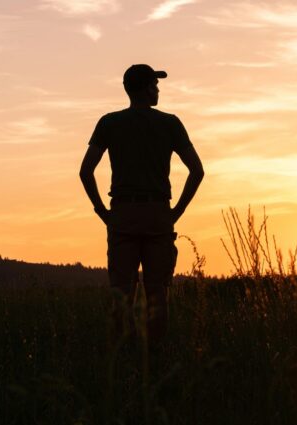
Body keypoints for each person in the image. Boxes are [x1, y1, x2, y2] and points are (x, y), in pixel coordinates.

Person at [79, 64, 204, 346]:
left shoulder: (108, 123)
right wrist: (177, 212)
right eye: (155, 85)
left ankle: (123, 361)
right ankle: (154, 361)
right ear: (147, 88)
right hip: (158, 215)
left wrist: (102, 212)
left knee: (121, 294)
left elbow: (86, 171)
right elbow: (197, 171)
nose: (158, 89)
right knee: (158, 294)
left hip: (122, 215)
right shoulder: (170, 123)